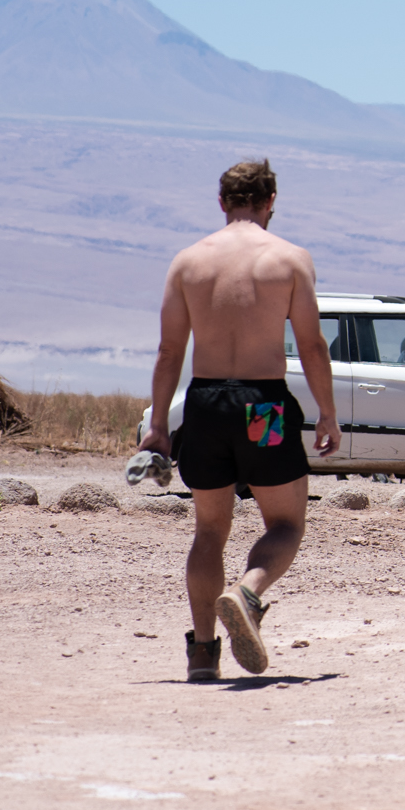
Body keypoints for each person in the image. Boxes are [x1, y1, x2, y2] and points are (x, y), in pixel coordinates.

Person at [144, 158, 339, 681]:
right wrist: (328, 413)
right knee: (286, 522)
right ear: (271, 200)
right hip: (262, 407)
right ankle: (247, 593)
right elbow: (313, 345)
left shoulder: (188, 262)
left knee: (209, 530)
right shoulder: (289, 260)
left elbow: (168, 352)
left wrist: (158, 424)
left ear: (221, 201)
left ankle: (203, 653)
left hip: (205, 404)